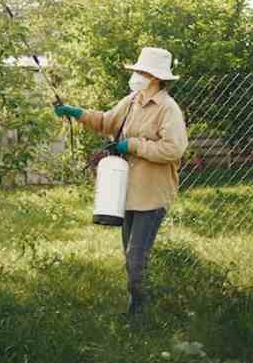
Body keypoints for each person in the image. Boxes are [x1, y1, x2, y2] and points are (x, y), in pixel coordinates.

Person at [54, 47, 188, 318]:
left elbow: (174, 149)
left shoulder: (167, 109)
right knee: (130, 256)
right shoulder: (132, 101)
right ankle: (138, 305)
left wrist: (133, 145)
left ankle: (140, 313)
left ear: (154, 77)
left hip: (151, 194)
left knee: (137, 257)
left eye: (140, 71)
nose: (136, 75)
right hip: (126, 192)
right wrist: (76, 112)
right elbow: (105, 121)